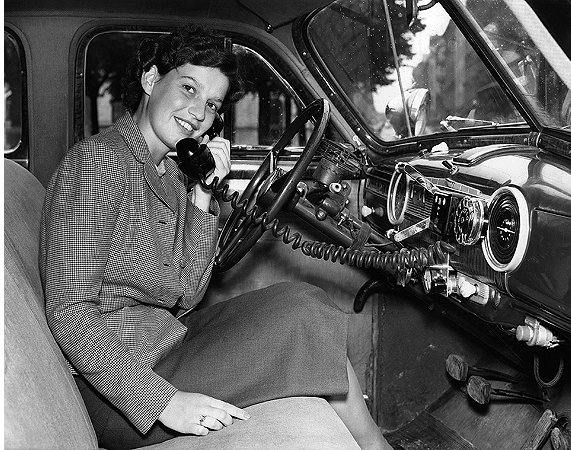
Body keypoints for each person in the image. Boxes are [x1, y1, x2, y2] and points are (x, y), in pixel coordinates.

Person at [39, 25, 391, 450]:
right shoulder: (98, 162)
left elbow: (186, 294)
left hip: (166, 341)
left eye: (211, 104)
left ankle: (375, 445)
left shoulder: (170, 172)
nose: (198, 113)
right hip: (117, 389)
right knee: (305, 318)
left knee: (302, 301)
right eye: (188, 88)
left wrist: (204, 193)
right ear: (151, 79)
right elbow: (69, 310)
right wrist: (163, 402)